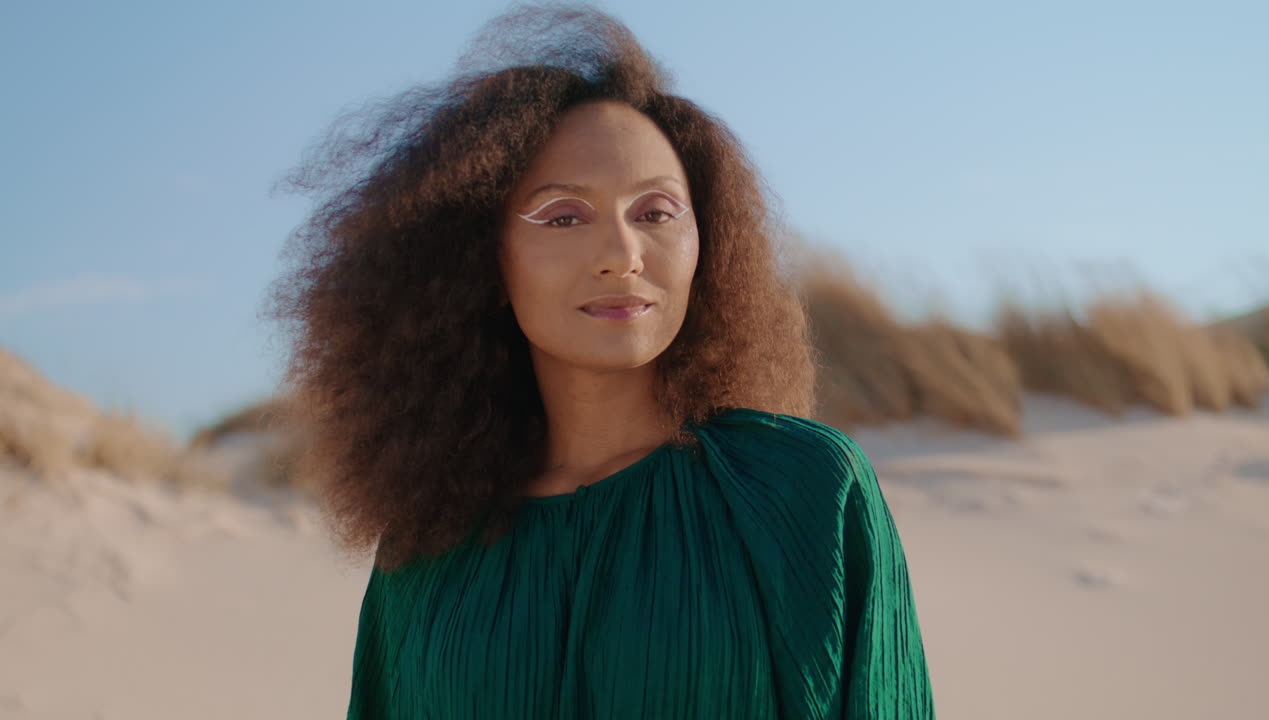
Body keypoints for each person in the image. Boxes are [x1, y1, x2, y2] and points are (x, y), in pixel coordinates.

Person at [266, 3, 933, 718]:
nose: (622, 254)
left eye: (655, 212)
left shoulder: (805, 491)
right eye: (563, 217)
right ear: (482, 262)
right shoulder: (425, 545)